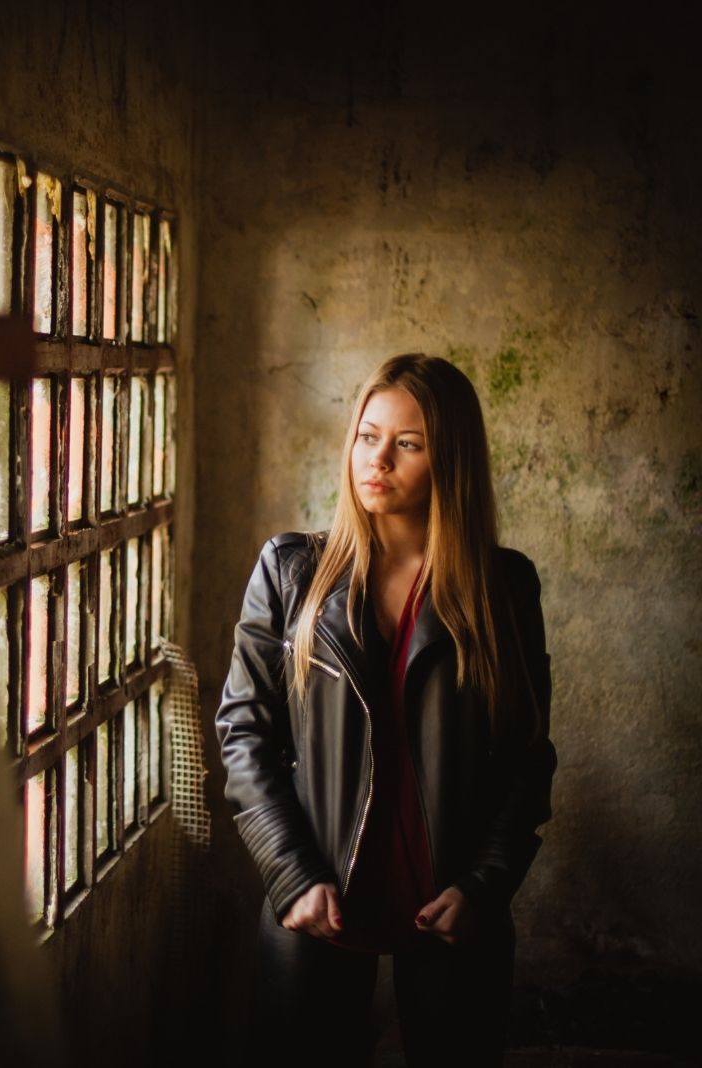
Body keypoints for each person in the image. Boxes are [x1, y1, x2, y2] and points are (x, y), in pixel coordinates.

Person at [215, 353, 556, 1067]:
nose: (378, 459)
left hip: (450, 909)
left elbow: (526, 759)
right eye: (368, 436)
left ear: (450, 461)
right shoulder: (290, 572)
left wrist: (483, 886)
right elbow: (244, 735)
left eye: (408, 443)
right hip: (320, 898)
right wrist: (290, 873)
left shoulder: (504, 588)